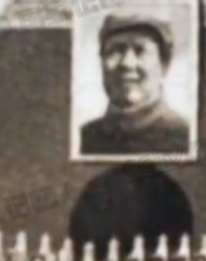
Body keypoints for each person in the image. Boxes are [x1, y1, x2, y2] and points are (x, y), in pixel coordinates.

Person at [80, 14, 191, 156]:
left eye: (140, 51)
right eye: (116, 51)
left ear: (164, 64)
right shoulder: (84, 138)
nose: (127, 63)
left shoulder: (185, 138)